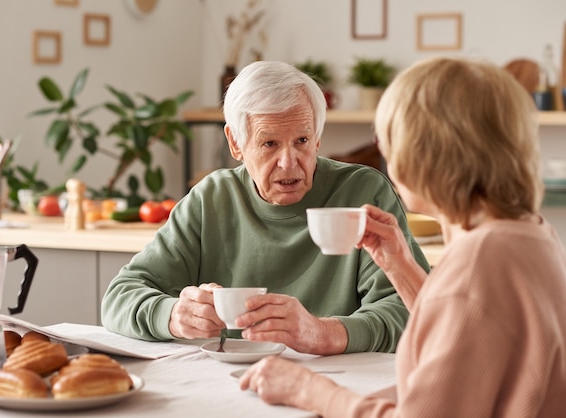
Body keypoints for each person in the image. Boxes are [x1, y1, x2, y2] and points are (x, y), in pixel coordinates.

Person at [238, 57, 566, 416]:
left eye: (387, 139)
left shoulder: (478, 262)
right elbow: (463, 348)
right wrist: (401, 268)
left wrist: (310, 389)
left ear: (424, 153)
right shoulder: (530, 232)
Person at [101, 60, 430, 355]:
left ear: (317, 138)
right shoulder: (211, 199)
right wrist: (173, 315)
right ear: (235, 143)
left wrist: (325, 334)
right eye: (270, 143)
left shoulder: (362, 191)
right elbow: (118, 297)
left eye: (301, 141)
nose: (289, 163)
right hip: (229, 386)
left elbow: (416, 311)